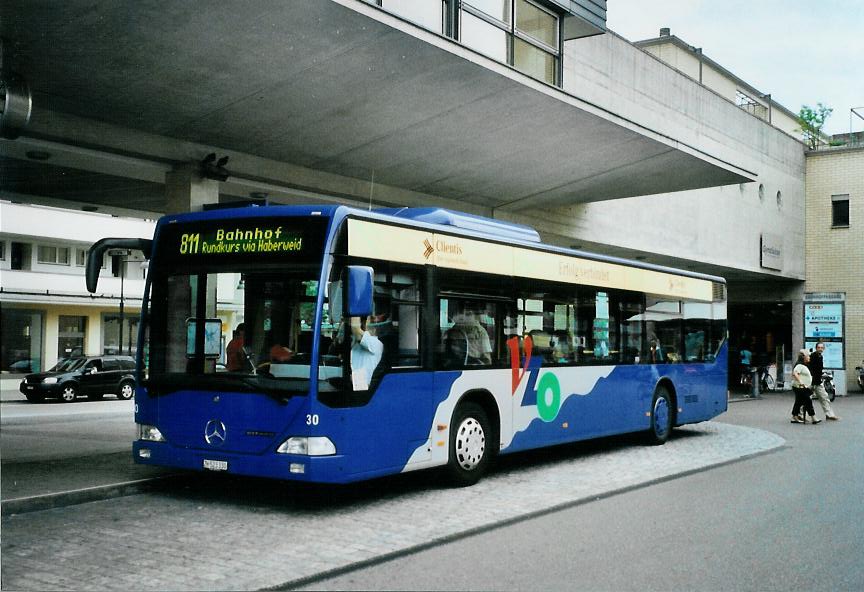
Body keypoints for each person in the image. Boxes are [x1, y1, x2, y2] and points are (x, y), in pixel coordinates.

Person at [350, 315, 384, 391]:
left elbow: (356, 329)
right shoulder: (361, 342)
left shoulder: (376, 344)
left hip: (362, 384)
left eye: (368, 322)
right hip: (355, 381)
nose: (364, 324)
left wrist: (355, 311)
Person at [808, 342, 840, 420]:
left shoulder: (820, 356)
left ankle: (829, 414)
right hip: (811, 381)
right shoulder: (813, 356)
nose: (820, 349)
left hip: (818, 381)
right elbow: (810, 367)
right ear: (816, 348)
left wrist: (821, 374)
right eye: (819, 347)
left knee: (824, 397)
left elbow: (819, 369)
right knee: (806, 398)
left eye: (822, 348)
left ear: (824, 349)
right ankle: (799, 414)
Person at [791, 349, 821, 424]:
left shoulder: (804, 365)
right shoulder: (799, 365)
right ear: (804, 357)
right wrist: (801, 381)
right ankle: (813, 417)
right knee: (808, 401)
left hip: (801, 387)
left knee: (799, 402)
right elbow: (795, 373)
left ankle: (794, 416)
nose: (809, 358)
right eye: (808, 356)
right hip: (800, 387)